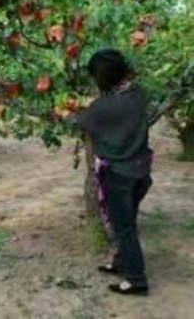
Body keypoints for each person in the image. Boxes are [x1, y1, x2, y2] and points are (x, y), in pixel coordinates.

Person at [70, 49, 153, 296]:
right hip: (140, 171)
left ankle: (137, 280)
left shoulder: (103, 107)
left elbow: (79, 122)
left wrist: (67, 111)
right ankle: (120, 262)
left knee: (124, 228)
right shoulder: (138, 93)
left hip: (119, 174)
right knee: (125, 222)